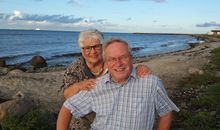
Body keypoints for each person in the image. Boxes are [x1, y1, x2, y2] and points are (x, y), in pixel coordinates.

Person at [57, 38, 180, 130]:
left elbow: (166, 112)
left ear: (131, 58)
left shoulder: (151, 82)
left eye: (123, 57)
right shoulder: (97, 86)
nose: (118, 63)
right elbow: (67, 107)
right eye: (112, 59)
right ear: (106, 62)